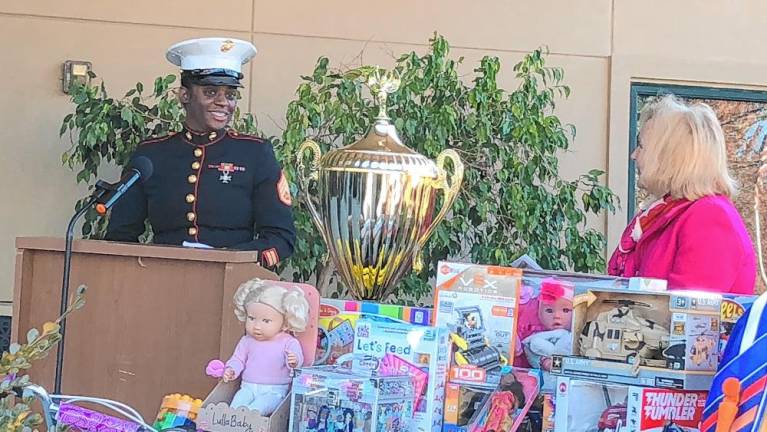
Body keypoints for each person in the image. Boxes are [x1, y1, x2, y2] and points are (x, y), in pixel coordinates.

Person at [104, 38, 295, 267]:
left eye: (231, 94)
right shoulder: (151, 155)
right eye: (211, 92)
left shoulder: (255, 153)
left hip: (233, 285)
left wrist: (225, 260)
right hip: (163, 280)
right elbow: (120, 235)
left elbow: (280, 239)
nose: (224, 102)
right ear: (185, 96)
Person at [608, 94, 755, 294]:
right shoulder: (668, 211)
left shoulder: (710, 216)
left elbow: (688, 316)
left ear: (669, 156)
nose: (634, 155)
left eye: (641, 146)